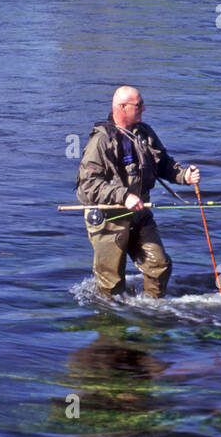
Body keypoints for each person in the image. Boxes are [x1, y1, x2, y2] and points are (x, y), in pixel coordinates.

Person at [76, 86, 201, 298]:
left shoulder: (145, 133)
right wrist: (124, 196)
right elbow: (87, 186)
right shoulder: (100, 141)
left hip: (140, 214)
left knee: (160, 266)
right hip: (109, 218)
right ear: (122, 107)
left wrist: (184, 176)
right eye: (139, 105)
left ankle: (151, 312)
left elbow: (164, 165)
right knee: (112, 284)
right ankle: (113, 322)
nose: (144, 108)